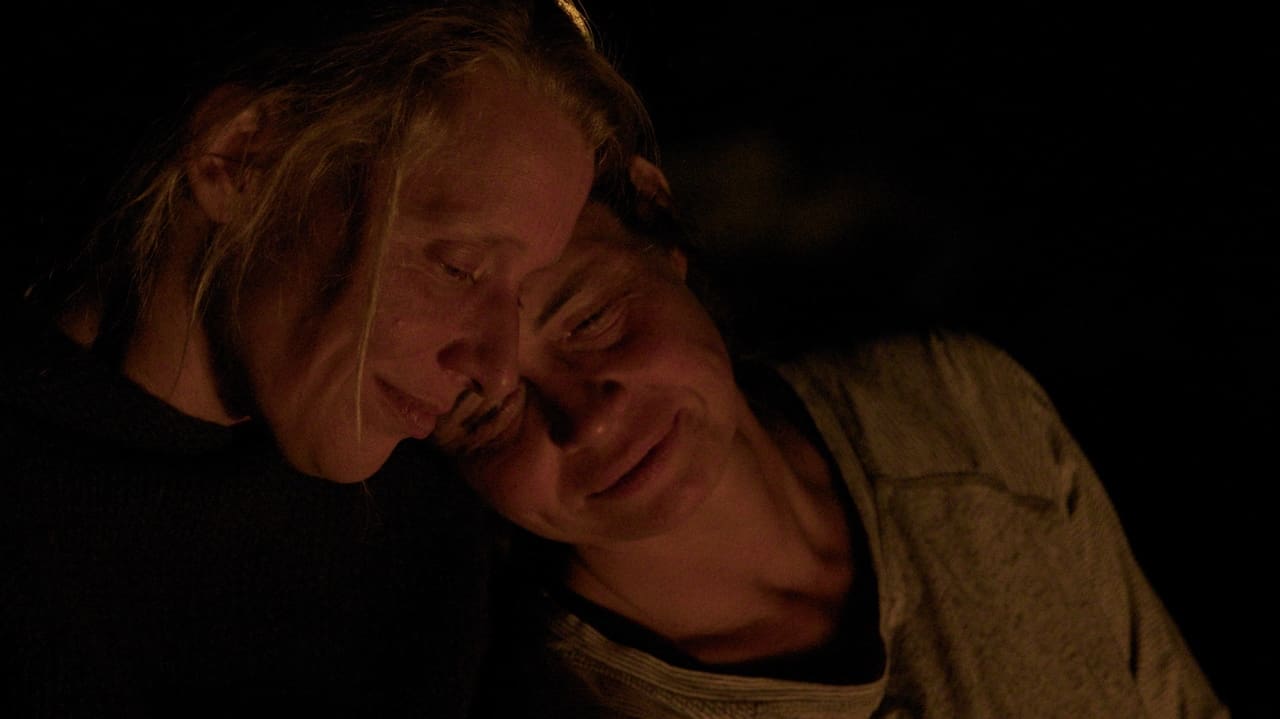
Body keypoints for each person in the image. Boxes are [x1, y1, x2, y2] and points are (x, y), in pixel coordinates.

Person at [1, 1, 652, 715]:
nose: (496, 371)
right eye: (459, 267)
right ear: (241, 158)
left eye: (520, 291)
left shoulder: (420, 527)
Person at [434, 156, 1231, 718]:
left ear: (655, 216)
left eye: (592, 317)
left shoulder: (958, 412)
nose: (590, 417)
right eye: (487, 411)